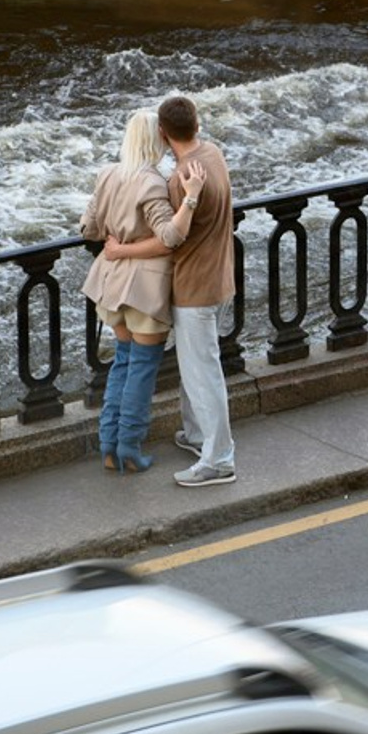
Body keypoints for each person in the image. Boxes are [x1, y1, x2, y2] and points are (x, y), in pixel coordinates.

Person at [104, 96, 237, 488]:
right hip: (221, 277)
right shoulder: (212, 153)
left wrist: (119, 250)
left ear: (162, 134)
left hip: (195, 287)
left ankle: (219, 460)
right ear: (197, 124)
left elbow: (168, 240)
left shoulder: (182, 181)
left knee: (202, 375)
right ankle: (197, 437)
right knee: (196, 369)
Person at [80, 111, 206, 475]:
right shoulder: (153, 182)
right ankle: (131, 448)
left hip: (111, 286)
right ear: (157, 140)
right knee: (141, 370)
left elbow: (88, 227)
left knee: (122, 363)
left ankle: (108, 447)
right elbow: (170, 238)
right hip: (145, 292)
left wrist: (116, 242)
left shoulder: (107, 174)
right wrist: (191, 199)